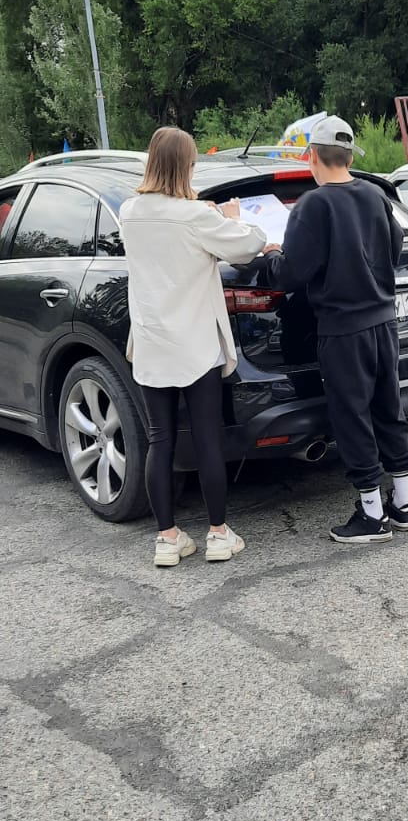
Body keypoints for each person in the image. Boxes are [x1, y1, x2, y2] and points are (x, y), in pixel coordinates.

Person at [262, 115, 408, 546]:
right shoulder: (374, 195)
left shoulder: (313, 205)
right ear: (349, 156)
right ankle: (402, 506)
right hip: (384, 322)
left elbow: (291, 272)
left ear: (312, 156)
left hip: (343, 330)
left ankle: (371, 516)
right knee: (390, 409)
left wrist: (270, 255)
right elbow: (396, 246)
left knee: (352, 416)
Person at [119, 126, 267, 567]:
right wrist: (233, 218)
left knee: (159, 440)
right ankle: (219, 534)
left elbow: (164, 226)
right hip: (196, 342)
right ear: (186, 166)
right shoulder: (198, 218)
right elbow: (249, 247)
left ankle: (167, 539)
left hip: (150, 341)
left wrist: (201, 210)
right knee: (207, 440)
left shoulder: (128, 212)